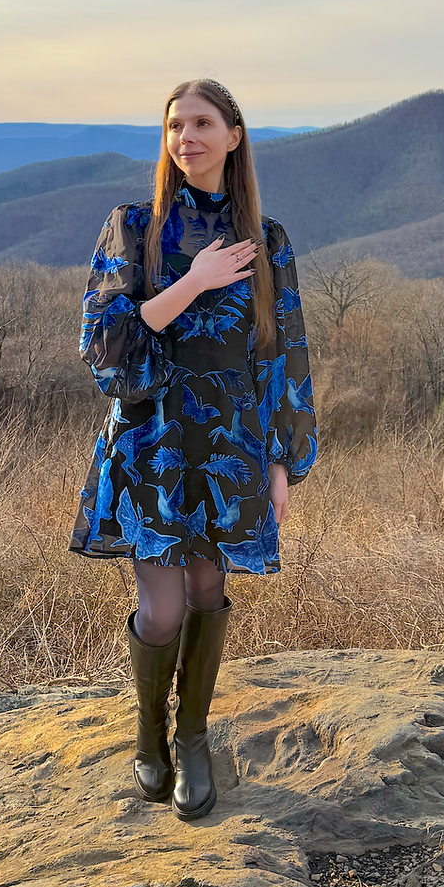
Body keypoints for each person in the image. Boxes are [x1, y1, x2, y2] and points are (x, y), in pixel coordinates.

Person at [69, 78, 317, 821]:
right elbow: (105, 347)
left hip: (230, 447)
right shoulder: (135, 227)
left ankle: (196, 734)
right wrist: (194, 282)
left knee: (210, 590)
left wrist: (281, 459)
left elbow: (284, 354)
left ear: (235, 135)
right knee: (165, 605)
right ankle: (150, 733)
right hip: (151, 446)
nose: (187, 138)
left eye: (203, 123)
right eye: (175, 125)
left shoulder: (266, 241)